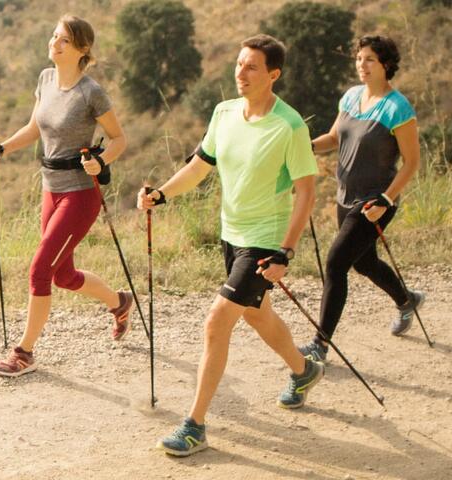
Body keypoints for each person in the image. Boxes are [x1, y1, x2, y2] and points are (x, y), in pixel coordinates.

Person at [135, 35, 326, 457]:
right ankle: (304, 368)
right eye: (239, 64)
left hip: (264, 241)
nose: (241, 72)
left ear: (273, 74)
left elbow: (306, 193)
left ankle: (194, 425)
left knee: (217, 321)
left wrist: (286, 252)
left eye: (252, 66)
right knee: (258, 316)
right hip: (231, 234)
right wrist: (161, 194)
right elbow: (200, 167)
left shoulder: (289, 126)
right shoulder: (223, 113)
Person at [0, 15, 136, 378]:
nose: (54, 43)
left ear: (82, 50)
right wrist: (2, 147)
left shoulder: (90, 92)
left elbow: (119, 139)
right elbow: (34, 128)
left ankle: (24, 352)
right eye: (54, 37)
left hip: (80, 193)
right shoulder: (46, 79)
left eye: (64, 40)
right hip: (50, 188)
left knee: (40, 269)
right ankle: (119, 302)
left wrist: (100, 160)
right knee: (63, 274)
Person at [300, 34, 425, 361]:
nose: (362, 65)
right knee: (364, 262)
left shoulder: (398, 107)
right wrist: (302, 145)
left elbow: (412, 163)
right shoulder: (352, 97)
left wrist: (386, 199)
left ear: (386, 65)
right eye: (359, 59)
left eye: (369, 59)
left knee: (336, 262)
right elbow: (333, 138)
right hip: (346, 196)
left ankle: (320, 344)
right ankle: (406, 299)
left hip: (374, 202)